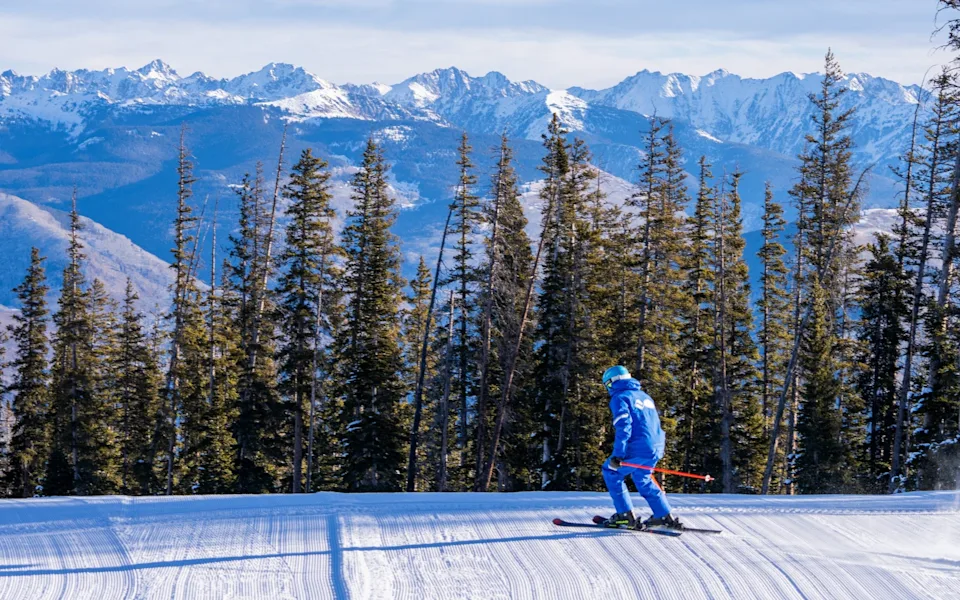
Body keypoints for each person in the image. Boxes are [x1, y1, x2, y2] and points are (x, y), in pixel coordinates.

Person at [600, 365, 682, 530]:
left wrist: (618, 454)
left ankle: (625, 516)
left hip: (638, 446)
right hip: (656, 446)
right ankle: (663, 515)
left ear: (612, 382)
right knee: (642, 477)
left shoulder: (620, 397)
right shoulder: (644, 396)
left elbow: (624, 426)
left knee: (611, 472)